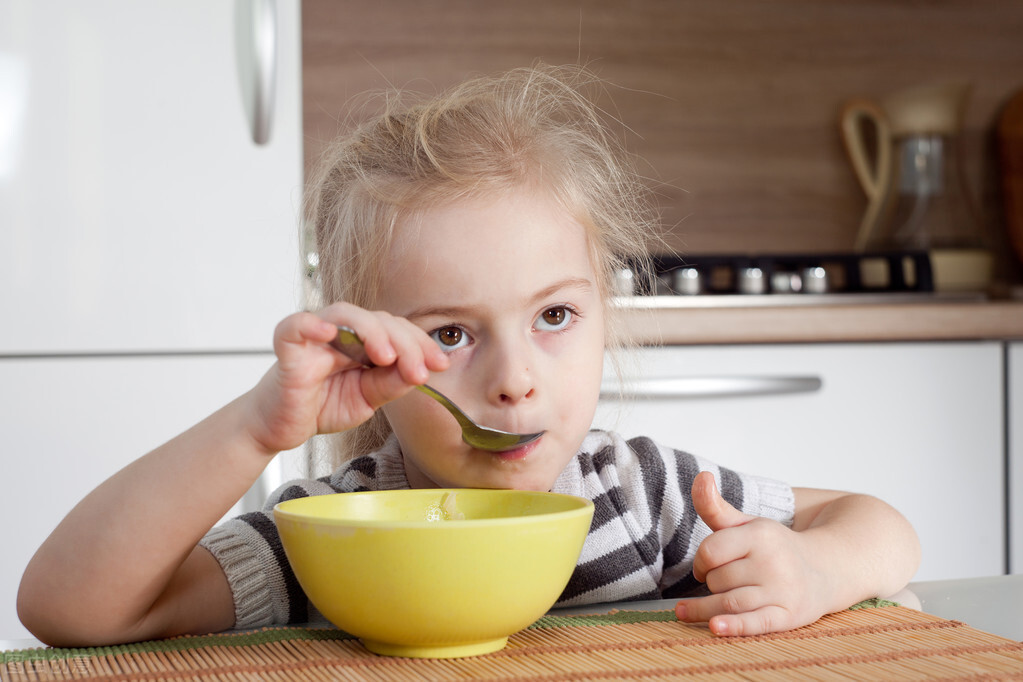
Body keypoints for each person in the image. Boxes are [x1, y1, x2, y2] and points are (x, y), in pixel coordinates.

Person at [18, 63, 920, 647]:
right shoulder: (335, 535)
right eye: (450, 334)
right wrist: (255, 430)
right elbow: (68, 610)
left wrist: (819, 570)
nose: (515, 379)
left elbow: (874, 523)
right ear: (366, 354)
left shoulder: (641, 497)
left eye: (554, 315)